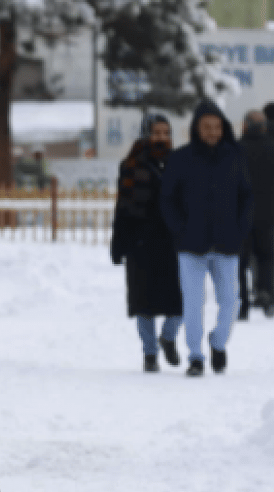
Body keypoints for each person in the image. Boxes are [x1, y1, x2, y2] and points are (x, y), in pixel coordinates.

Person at [159, 101, 253, 376]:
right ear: (196, 129)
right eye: (207, 127)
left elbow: (246, 196)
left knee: (231, 301)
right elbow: (167, 199)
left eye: (217, 127)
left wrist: (241, 228)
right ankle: (196, 356)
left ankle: (218, 342)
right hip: (191, 244)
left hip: (227, 243)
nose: (213, 132)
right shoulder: (180, 158)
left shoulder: (236, 157)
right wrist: (179, 228)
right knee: (193, 302)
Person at [110, 113, 182, 372]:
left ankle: (169, 337)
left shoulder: (180, 164)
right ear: (145, 134)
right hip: (141, 241)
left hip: (173, 242)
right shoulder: (131, 165)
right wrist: (119, 245)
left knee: (179, 301)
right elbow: (123, 207)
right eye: (156, 132)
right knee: (144, 302)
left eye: (166, 132)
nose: (162, 137)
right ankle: (150, 354)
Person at [238, 110, 274, 319]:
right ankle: (267, 295)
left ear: (245, 125)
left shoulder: (235, 150)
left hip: (241, 215)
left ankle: (242, 304)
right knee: (267, 257)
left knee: (240, 262)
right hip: (268, 214)